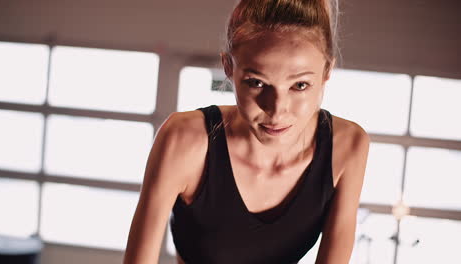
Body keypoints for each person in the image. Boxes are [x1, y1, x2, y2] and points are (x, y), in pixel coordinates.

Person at [123, 0, 370, 263]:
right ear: (228, 67)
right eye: (257, 82)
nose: (276, 110)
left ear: (327, 71)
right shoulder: (184, 140)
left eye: (299, 85)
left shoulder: (347, 147)